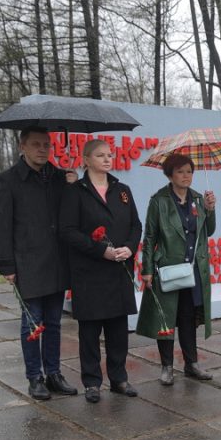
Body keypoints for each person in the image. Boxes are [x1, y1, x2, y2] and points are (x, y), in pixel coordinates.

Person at [0, 126, 78, 400]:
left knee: (53, 323)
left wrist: (74, 186)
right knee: (32, 323)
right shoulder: (7, 180)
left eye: (46, 145)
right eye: (36, 144)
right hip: (27, 263)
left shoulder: (60, 178)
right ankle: (35, 377)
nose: (42, 149)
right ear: (22, 147)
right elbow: (1, 226)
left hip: (57, 261)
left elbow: (72, 214)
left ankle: (54, 374)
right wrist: (6, 264)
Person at [60, 139, 142, 403]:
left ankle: (119, 379)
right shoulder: (75, 192)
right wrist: (100, 250)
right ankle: (92, 382)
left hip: (119, 271)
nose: (107, 159)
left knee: (118, 330)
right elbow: (68, 231)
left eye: (110, 155)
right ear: (86, 160)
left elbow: (136, 225)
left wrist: (130, 248)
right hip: (90, 273)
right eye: (100, 155)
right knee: (90, 332)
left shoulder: (123, 190)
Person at [136, 154, 216, 385]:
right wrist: (147, 269)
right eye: (180, 172)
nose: (186, 176)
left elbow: (208, 231)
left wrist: (210, 210)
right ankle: (167, 367)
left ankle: (192, 364)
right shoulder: (159, 201)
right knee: (166, 319)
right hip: (168, 268)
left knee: (188, 319)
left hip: (193, 270)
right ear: (170, 175)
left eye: (189, 171)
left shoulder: (199, 199)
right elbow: (149, 237)